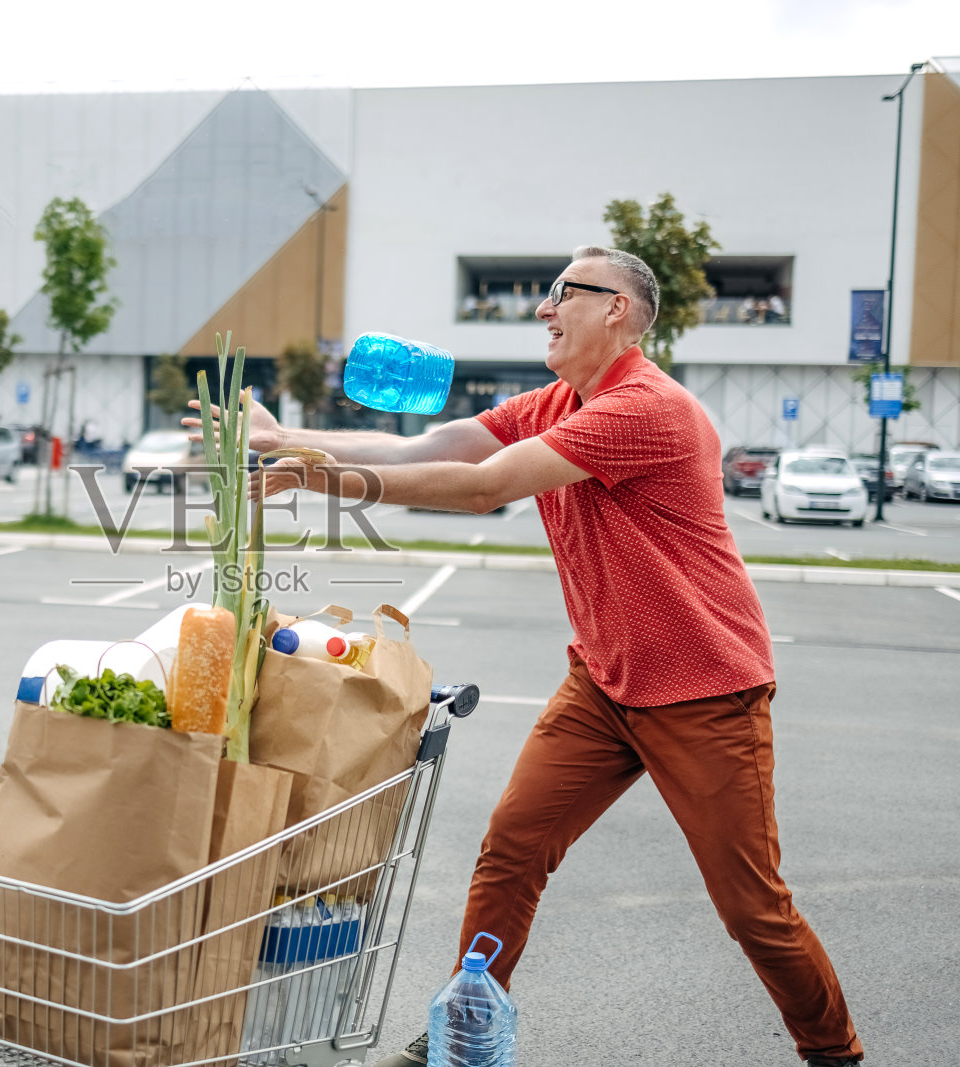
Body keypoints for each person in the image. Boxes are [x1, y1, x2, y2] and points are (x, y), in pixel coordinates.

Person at [194, 247, 863, 1066]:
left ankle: (835, 1054)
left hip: (702, 687)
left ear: (616, 307)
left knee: (752, 907)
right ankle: (466, 1030)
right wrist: (284, 435)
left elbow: (485, 488)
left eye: (560, 294)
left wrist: (321, 481)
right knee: (512, 848)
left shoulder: (643, 408)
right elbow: (431, 445)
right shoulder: (559, 400)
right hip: (605, 683)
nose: (543, 309)